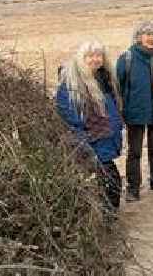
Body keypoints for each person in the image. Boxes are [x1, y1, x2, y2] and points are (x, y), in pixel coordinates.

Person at [56, 41, 123, 212]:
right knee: (107, 182)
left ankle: (109, 218)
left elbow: (112, 109)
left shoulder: (104, 79)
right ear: (81, 58)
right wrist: (83, 143)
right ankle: (106, 220)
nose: (95, 59)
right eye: (90, 56)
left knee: (109, 183)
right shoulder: (71, 84)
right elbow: (69, 117)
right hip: (90, 143)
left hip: (105, 141)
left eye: (99, 55)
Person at [117, 21, 153, 202]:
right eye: (147, 34)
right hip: (134, 111)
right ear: (139, 37)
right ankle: (133, 188)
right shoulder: (127, 57)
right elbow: (118, 85)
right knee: (134, 151)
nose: (151, 38)